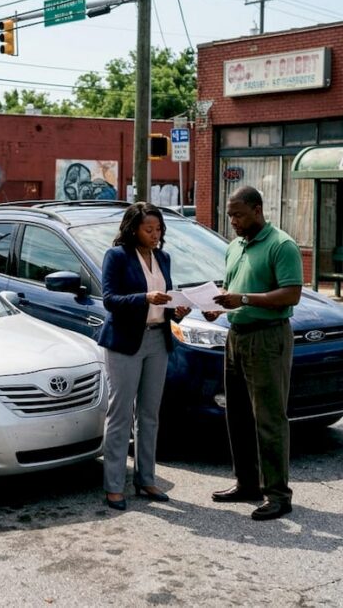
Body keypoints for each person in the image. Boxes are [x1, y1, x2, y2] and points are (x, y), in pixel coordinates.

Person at [205, 185, 303, 521]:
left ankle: (277, 494)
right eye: (230, 214)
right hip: (236, 335)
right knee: (238, 416)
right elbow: (232, 289)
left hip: (268, 337)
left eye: (238, 214)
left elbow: (291, 294)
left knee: (269, 418)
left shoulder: (281, 245)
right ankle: (246, 483)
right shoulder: (234, 246)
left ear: (257, 210)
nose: (232, 220)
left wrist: (244, 299)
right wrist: (218, 306)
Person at [98, 203, 190, 510]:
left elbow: (165, 301)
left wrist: (176, 309)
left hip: (157, 339)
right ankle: (113, 486)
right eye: (148, 229)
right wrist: (145, 298)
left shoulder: (163, 257)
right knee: (120, 413)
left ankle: (146, 479)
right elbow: (109, 299)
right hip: (125, 342)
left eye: (159, 229)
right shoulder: (117, 256)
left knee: (149, 415)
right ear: (133, 228)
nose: (155, 235)